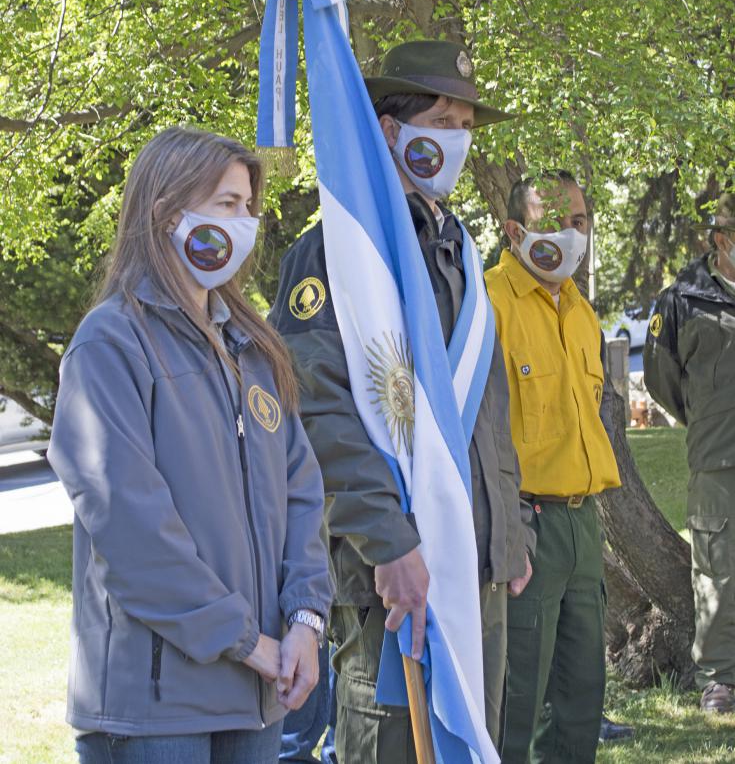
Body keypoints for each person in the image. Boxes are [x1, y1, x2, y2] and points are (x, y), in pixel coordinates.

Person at [269, 40, 535, 764]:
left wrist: (511, 530)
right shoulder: (335, 251)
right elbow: (315, 409)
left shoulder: (456, 249)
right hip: (395, 569)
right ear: (390, 130)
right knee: (394, 747)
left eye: (464, 125)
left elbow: (485, 415)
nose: (456, 139)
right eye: (440, 120)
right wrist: (387, 541)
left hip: (477, 566)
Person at [48, 126, 333, 764]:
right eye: (225, 205)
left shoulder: (253, 350)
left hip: (257, 693)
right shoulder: (111, 344)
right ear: (166, 212)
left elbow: (302, 494)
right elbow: (130, 527)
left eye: (248, 207)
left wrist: (305, 622)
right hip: (155, 708)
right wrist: (246, 639)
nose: (244, 222)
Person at [484, 171, 621, 764]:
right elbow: (477, 429)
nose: (569, 234)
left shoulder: (582, 313)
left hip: (583, 521)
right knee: (517, 697)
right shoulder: (487, 302)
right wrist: (510, 526)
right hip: (525, 522)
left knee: (582, 692)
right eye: (551, 222)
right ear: (515, 230)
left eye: (580, 222)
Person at [644, 192, 735, 713]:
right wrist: (705, 416)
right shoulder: (682, 299)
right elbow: (662, 379)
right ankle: (720, 679)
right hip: (717, 458)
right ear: (722, 241)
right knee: (718, 567)